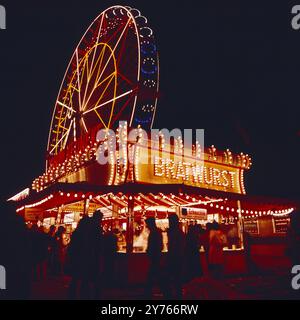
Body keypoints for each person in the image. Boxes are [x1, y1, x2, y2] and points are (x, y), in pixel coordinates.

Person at [163, 214, 186, 299]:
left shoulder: (174, 232)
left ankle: (172, 294)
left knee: (171, 277)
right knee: (176, 278)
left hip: (175, 258)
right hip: (177, 258)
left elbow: (174, 246)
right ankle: (176, 293)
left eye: (170, 221)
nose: (169, 223)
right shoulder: (178, 232)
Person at [144, 217, 163, 298]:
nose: (146, 226)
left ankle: (149, 292)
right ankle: (163, 290)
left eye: (147, 224)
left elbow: (155, 246)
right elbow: (160, 246)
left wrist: (149, 251)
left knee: (153, 275)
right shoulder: (156, 232)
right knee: (156, 274)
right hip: (156, 257)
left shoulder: (154, 233)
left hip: (155, 257)